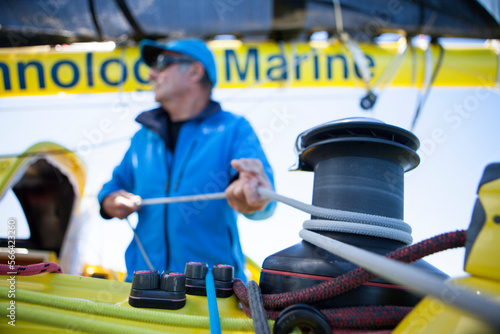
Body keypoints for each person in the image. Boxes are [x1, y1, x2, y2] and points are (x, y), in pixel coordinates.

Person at [98, 38, 276, 282]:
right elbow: (113, 187)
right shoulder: (142, 138)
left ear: (194, 71)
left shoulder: (234, 129)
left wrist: (254, 196)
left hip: (213, 295)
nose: (151, 74)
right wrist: (110, 200)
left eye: (161, 64)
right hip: (141, 288)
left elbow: (263, 198)